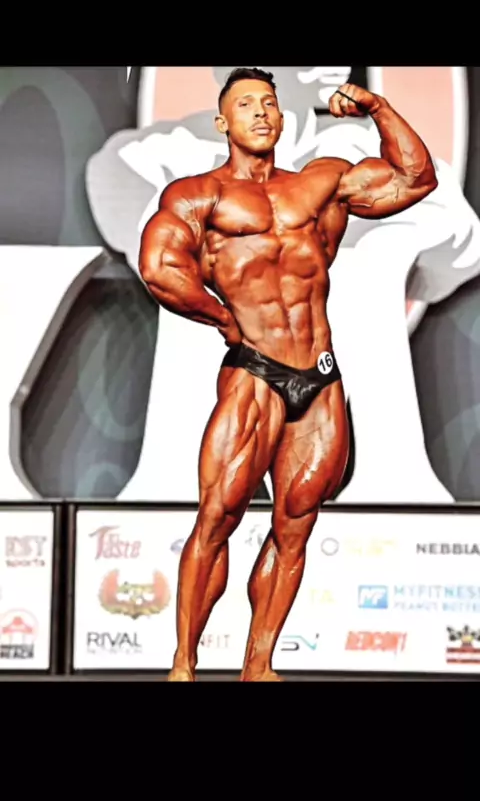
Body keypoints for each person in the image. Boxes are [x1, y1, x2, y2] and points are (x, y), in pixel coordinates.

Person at [138, 67, 438, 682]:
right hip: (254, 369)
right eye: (246, 104)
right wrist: (221, 318)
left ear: (282, 116)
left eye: (269, 103)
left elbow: (415, 177)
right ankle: (184, 664)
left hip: (319, 375)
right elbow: (160, 266)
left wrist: (377, 107)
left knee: (296, 524)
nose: (260, 112)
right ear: (223, 122)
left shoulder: (320, 184)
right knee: (219, 517)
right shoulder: (200, 196)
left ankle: (259, 664)